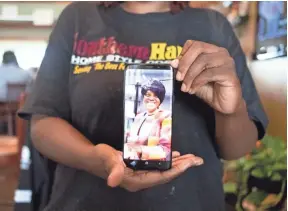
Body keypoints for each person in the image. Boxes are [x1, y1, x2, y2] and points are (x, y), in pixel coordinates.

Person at [18, 2, 268, 211]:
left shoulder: (213, 26)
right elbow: (42, 125)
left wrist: (230, 111)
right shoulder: (77, 18)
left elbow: (238, 148)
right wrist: (97, 160)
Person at [124, 79, 172, 161]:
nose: (151, 98)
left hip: (154, 165)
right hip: (132, 163)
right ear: (143, 97)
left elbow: (165, 150)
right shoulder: (139, 116)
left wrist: (139, 149)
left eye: (156, 96)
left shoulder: (166, 116)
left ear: (161, 99)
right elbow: (128, 138)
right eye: (148, 95)